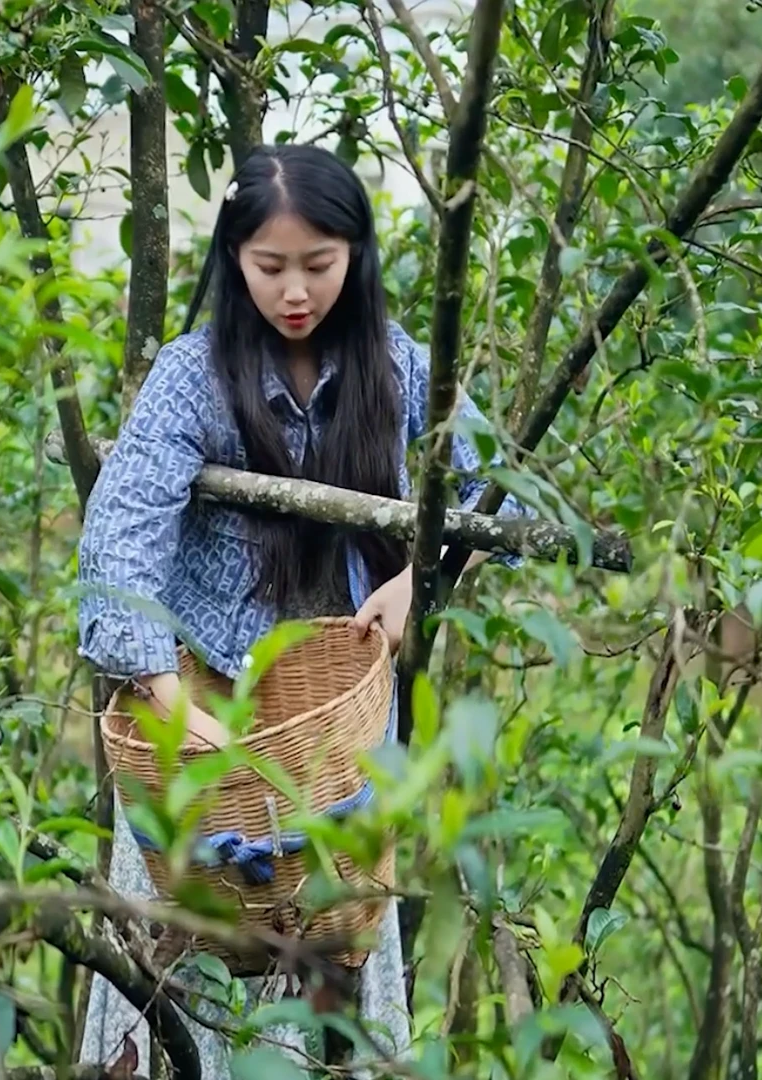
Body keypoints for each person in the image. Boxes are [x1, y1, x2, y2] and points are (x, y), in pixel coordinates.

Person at [76, 144, 532, 1076]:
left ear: (355, 258)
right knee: (189, 960)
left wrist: (421, 578)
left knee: (330, 950)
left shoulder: (400, 369)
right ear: (233, 259)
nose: (295, 291)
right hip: (201, 700)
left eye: (319, 266)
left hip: (338, 720)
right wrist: (168, 702)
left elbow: (504, 496)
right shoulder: (191, 376)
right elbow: (118, 537)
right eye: (270, 266)